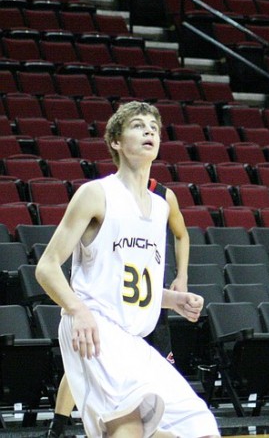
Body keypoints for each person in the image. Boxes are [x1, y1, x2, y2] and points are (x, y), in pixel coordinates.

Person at [35, 101, 219, 438]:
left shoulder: (162, 207)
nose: (149, 130)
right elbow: (46, 268)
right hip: (95, 329)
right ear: (116, 142)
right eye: (138, 125)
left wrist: (172, 300)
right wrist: (77, 310)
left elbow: (128, 285)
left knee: (199, 427)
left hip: (133, 338)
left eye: (154, 126)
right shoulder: (96, 194)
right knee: (129, 425)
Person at [46, 180, 191, 438]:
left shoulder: (163, 198)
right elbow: (61, 260)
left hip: (145, 298)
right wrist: (77, 304)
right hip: (107, 305)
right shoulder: (104, 195)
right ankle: (57, 424)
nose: (149, 136)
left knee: (151, 382)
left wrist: (182, 276)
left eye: (153, 134)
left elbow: (181, 234)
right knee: (88, 371)